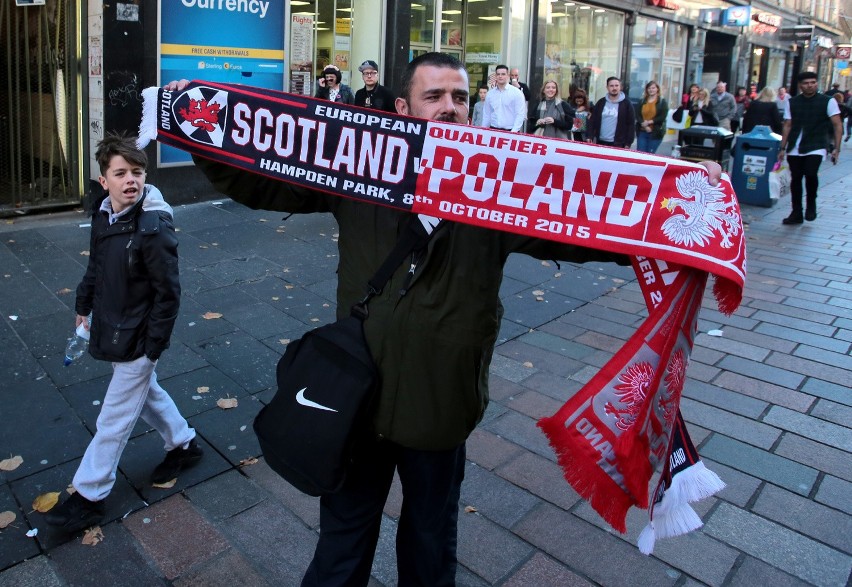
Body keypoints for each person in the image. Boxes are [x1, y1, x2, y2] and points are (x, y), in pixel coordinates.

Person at [164, 53, 721, 586]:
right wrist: (203, 130)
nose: (449, 106)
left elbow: (588, 222)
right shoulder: (361, 170)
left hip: (440, 405)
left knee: (430, 547)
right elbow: (262, 180)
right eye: (433, 96)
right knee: (341, 548)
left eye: (459, 96)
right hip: (355, 400)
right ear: (403, 111)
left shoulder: (504, 185)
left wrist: (682, 200)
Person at [45, 132, 201, 533]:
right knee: (146, 394)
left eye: (137, 172)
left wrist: (154, 347)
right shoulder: (103, 213)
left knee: (113, 417)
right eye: (121, 173)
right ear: (104, 181)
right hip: (115, 323)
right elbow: (96, 263)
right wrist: (83, 304)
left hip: (139, 336)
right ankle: (183, 444)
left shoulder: (153, 225)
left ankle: (89, 495)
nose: (131, 180)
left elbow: (169, 293)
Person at [778, 71, 842, 224]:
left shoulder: (827, 101)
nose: (810, 85)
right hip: (795, 146)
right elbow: (787, 125)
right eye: (806, 83)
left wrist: (836, 149)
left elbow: (837, 124)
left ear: (816, 83)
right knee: (796, 179)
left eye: (813, 82)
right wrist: (782, 148)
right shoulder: (792, 102)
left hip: (816, 144)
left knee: (811, 174)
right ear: (800, 85)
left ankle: (811, 205)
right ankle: (796, 212)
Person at [587, 76, 636, 148]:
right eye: (611, 86)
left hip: (618, 144)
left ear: (620, 87)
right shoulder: (601, 102)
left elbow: (631, 124)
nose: (614, 88)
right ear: (607, 87)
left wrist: (628, 143)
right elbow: (592, 120)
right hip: (600, 142)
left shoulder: (627, 104)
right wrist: (589, 136)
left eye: (616, 85)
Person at [481, 64, 527, 132]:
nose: (500, 76)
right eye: (498, 74)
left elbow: (520, 115)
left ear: (508, 75)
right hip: (493, 129)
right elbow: (487, 115)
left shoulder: (517, 93)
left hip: (511, 130)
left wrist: (513, 132)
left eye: (503, 74)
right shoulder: (490, 94)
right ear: (495, 76)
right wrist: (483, 131)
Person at [634, 80, 668, 153]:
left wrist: (649, 122)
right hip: (642, 131)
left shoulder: (662, 102)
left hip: (655, 132)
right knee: (640, 153)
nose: (651, 90)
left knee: (650, 154)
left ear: (657, 89)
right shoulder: (642, 101)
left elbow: (662, 117)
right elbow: (638, 114)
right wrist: (645, 125)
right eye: (649, 88)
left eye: (653, 88)